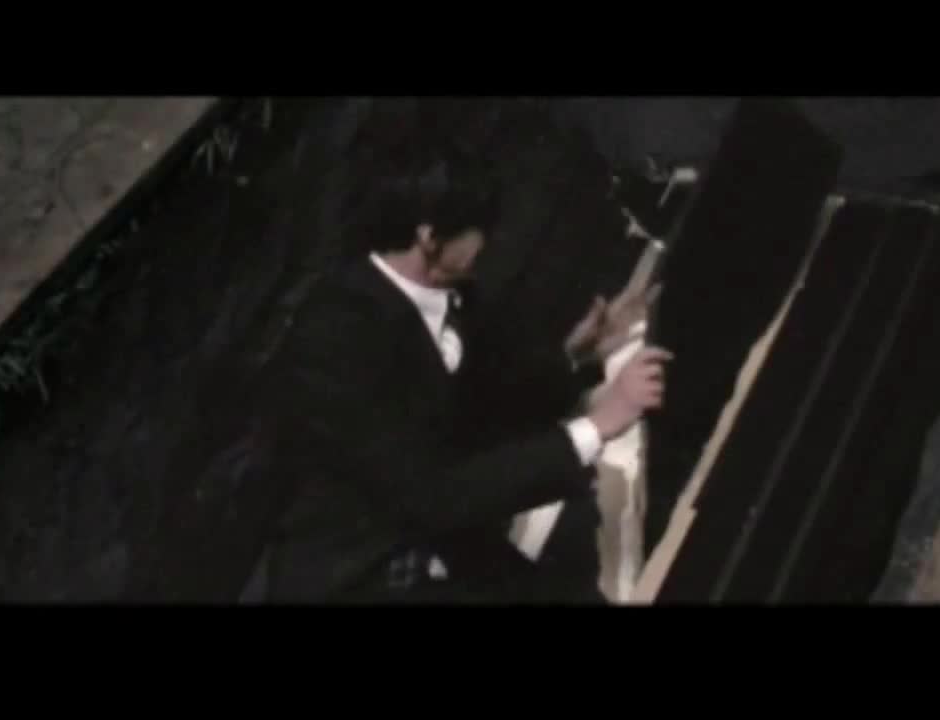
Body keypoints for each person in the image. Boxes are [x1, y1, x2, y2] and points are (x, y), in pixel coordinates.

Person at [256, 137, 669, 603]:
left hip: (444, 541)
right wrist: (599, 424)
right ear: (429, 237)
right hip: (366, 576)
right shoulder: (336, 336)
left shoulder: (451, 296)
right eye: (478, 230)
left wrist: (579, 359)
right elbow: (434, 494)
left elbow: (487, 400)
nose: (487, 244)